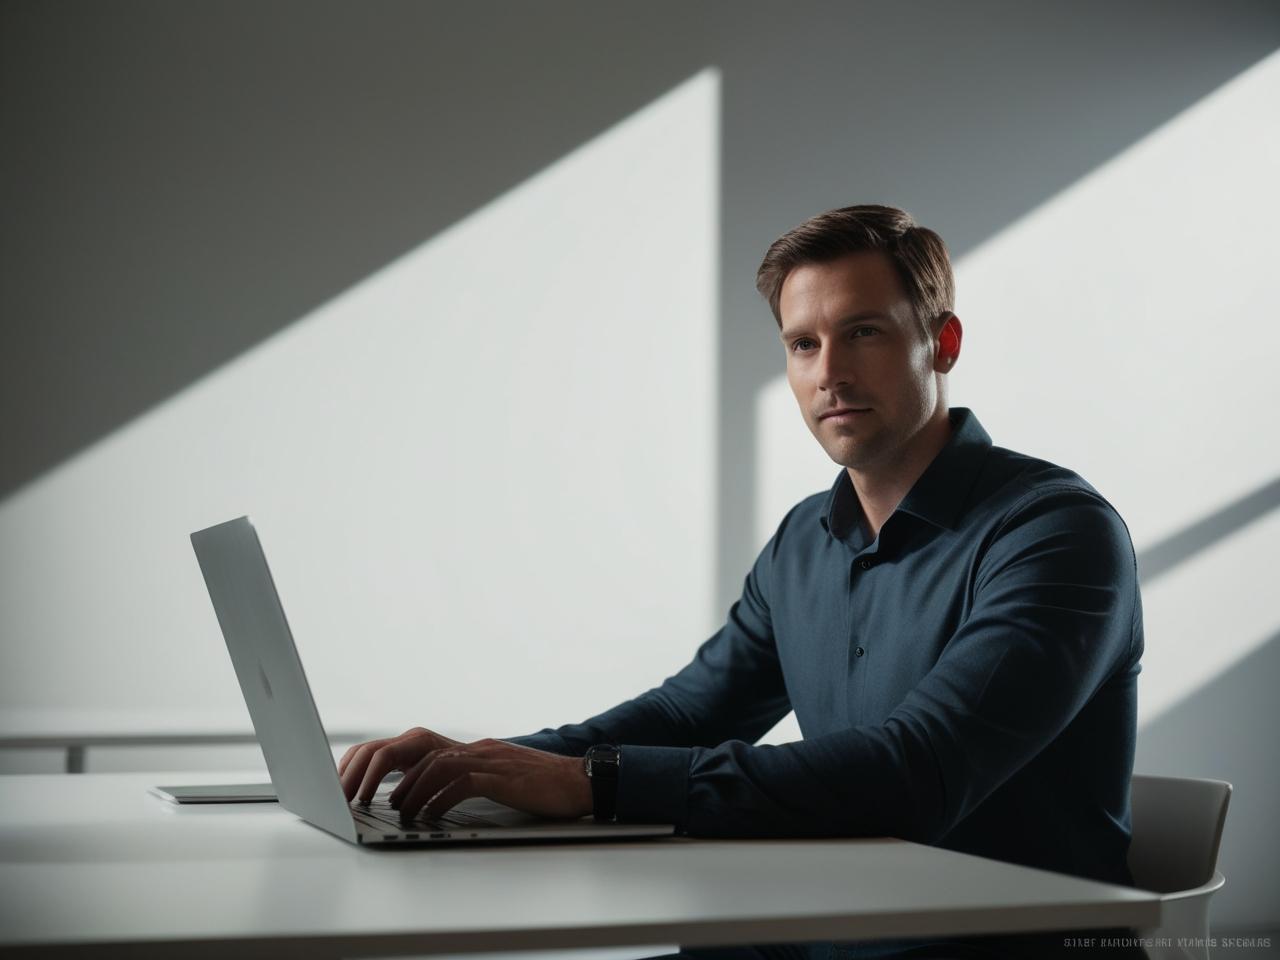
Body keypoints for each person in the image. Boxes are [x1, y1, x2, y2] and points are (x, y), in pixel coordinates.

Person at [338, 205, 1145, 959]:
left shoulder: (1056, 535)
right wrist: (486, 762)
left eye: (861, 332)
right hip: (820, 932)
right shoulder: (805, 538)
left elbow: (917, 772)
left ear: (943, 342)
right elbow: (688, 713)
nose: (829, 372)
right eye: (803, 344)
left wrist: (594, 785)